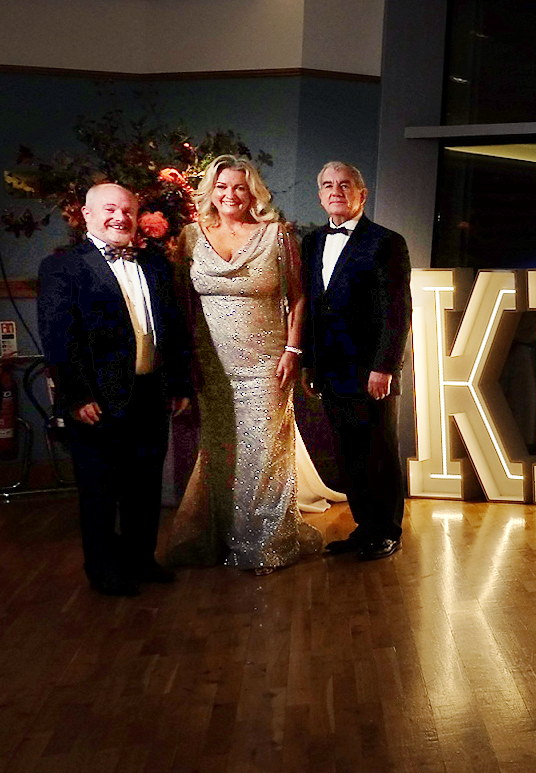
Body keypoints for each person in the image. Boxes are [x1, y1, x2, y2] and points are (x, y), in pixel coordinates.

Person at [167, 155, 321, 573]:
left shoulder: (276, 235)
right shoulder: (190, 237)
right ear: (210, 193)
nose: (230, 195)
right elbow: (181, 305)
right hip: (211, 366)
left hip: (267, 363)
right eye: (222, 187)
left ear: (253, 191)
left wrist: (294, 351)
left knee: (264, 452)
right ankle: (219, 537)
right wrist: (185, 365)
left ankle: (263, 544)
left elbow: (299, 296)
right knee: (221, 453)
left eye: (239, 187)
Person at [37, 183, 193, 596]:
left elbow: (173, 330)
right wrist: (76, 396)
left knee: (144, 486)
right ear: (86, 216)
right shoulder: (62, 267)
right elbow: (58, 337)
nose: (119, 218)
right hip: (98, 400)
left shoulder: (156, 264)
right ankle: (104, 570)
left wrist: (177, 384)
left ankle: (141, 560)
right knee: (100, 490)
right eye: (109, 210)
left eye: (127, 210)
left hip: (151, 392)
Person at [300, 161, 411, 561]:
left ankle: (387, 531)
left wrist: (385, 367)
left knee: (378, 451)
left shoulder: (386, 242)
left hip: (370, 371)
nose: (336, 191)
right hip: (329, 369)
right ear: (320, 195)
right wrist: (310, 364)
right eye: (328, 185)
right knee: (348, 453)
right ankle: (365, 529)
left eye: (345, 185)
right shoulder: (311, 242)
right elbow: (312, 306)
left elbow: (397, 311)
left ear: (361, 195)